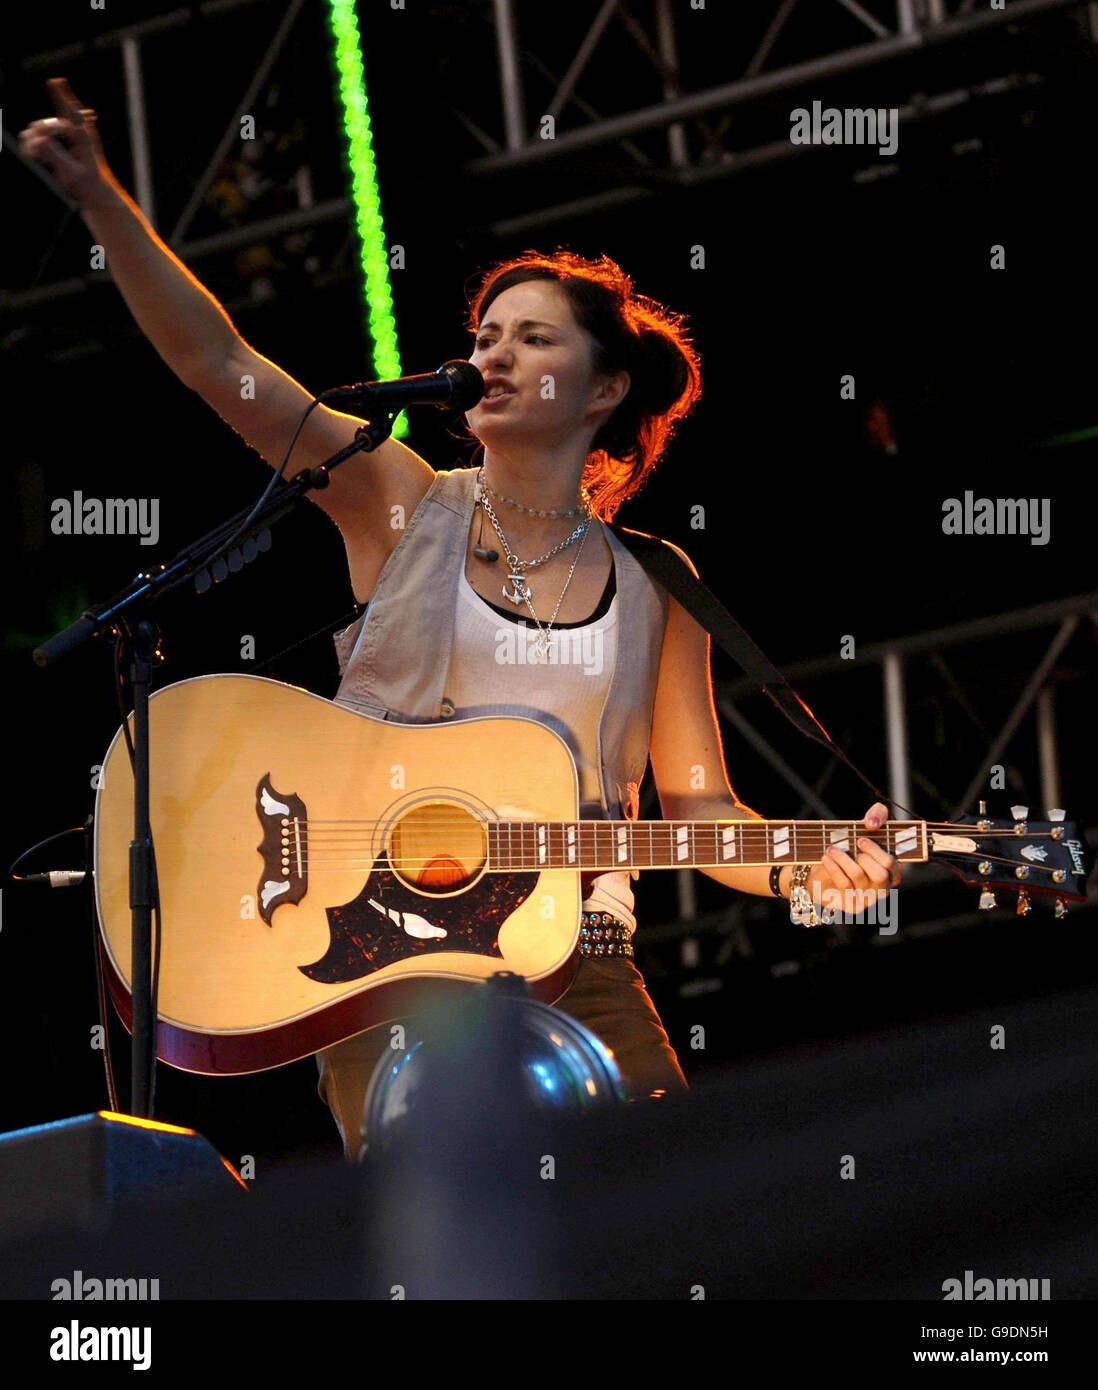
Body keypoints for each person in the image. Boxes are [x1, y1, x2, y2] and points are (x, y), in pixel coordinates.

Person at [20, 79, 903, 1161]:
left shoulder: (666, 585)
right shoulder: (400, 500)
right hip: (381, 965)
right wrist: (106, 203)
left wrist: (815, 865)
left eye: (532, 340)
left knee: (673, 1219)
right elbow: (225, 370)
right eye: (486, 335)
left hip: (583, 961)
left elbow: (705, 807)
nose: (491, 355)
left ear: (602, 391)